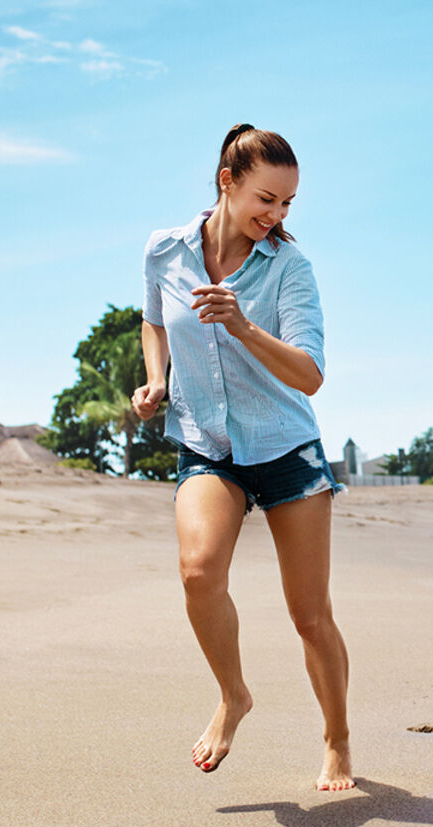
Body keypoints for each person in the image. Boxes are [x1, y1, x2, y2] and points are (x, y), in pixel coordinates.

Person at [132, 124, 353, 790]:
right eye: (266, 199)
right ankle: (233, 695)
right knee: (199, 571)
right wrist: (156, 379)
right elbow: (153, 320)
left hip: (286, 447)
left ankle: (337, 739)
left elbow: (310, 375)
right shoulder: (163, 251)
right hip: (206, 442)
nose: (276, 215)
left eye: (287, 203)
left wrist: (243, 324)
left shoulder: (289, 268)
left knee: (309, 616)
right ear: (227, 182)